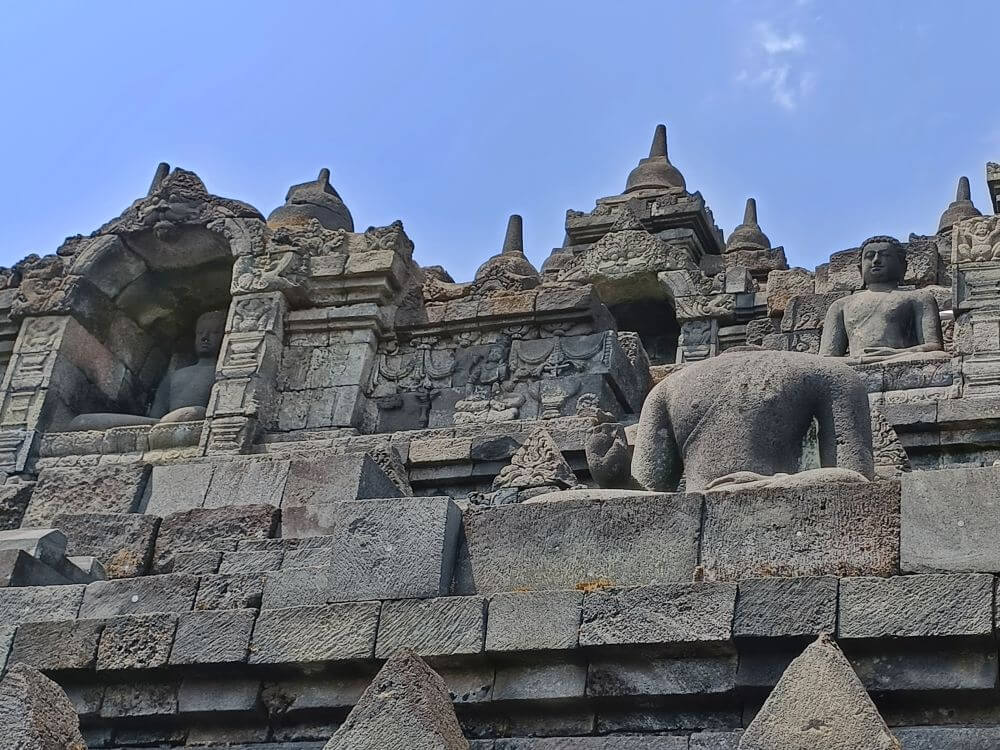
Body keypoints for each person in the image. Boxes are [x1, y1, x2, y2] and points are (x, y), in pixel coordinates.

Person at [586, 348, 874, 493]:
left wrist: (769, 484)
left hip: (779, 498)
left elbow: (854, 482)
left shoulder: (666, 388)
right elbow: (858, 479)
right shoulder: (831, 373)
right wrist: (614, 476)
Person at [66, 310, 226, 431]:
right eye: (200, 333)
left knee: (193, 413)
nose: (205, 337)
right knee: (81, 421)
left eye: (214, 332)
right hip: (162, 426)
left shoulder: (224, 373)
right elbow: (154, 418)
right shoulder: (175, 376)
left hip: (195, 423)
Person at [819, 236, 948, 365]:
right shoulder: (840, 305)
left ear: (903, 266)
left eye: (885, 255)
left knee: (939, 356)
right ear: (860, 268)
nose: (876, 260)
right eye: (870, 256)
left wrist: (894, 353)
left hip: (900, 360)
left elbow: (934, 347)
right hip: (855, 363)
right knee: (822, 365)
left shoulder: (919, 298)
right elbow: (827, 357)